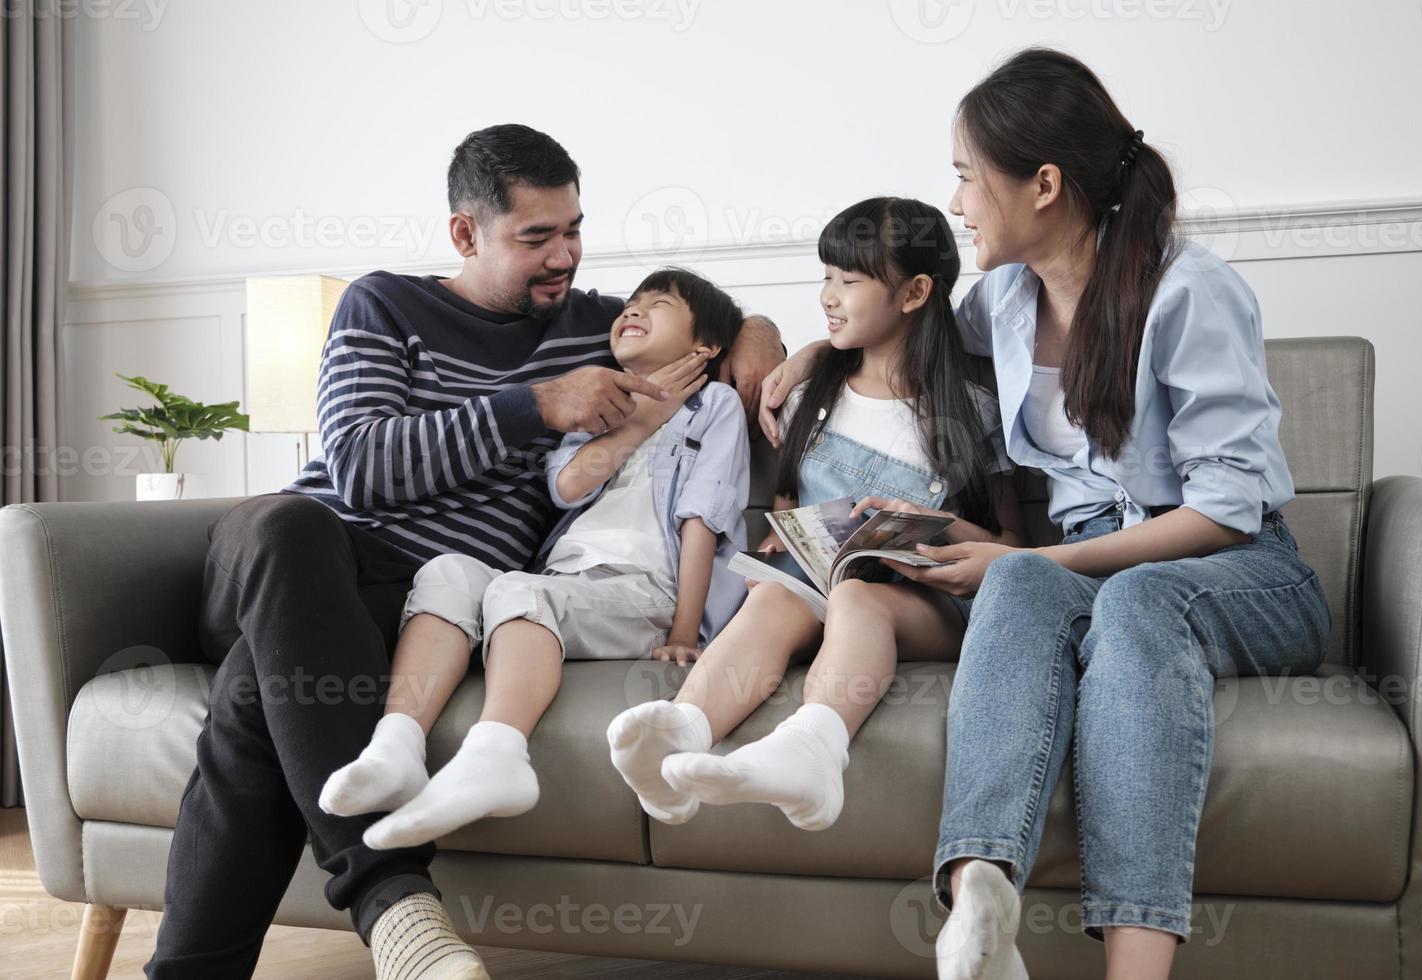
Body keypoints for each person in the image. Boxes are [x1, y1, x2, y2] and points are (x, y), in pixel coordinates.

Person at [144, 125, 784, 980]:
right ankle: (395, 907)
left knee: (259, 692)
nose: (565, 257)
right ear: (464, 234)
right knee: (284, 527)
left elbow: (712, 323)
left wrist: (762, 336)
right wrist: (539, 406)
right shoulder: (382, 305)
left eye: (574, 230)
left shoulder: (595, 325)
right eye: (536, 239)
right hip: (296, 560)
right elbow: (363, 469)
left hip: (417, 608)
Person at [760, 50, 1330, 980]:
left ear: (1045, 185)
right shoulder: (1002, 302)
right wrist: (777, 350)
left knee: (1123, 597)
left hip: (1246, 573)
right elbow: (893, 327)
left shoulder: (1190, 291)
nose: (955, 203)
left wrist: (1041, 562)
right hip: (1103, 571)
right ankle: (980, 891)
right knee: (1027, 573)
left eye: (965, 175)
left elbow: (1226, 513)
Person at [606, 197, 1022, 833]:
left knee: (858, 598)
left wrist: (928, 522)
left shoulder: (973, 408)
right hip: (818, 585)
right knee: (773, 598)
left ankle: (814, 752)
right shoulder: (809, 393)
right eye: (826, 276)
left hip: (929, 604)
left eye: (849, 282)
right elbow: (787, 510)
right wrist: (774, 550)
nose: (828, 296)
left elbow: (1005, 543)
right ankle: (682, 732)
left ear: (914, 293)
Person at [318, 268, 751, 851]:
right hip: (569, 582)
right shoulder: (601, 403)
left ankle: (496, 755)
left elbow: (703, 517)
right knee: (448, 571)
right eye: (632, 302)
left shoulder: (715, 406)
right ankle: (396, 745)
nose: (632, 310)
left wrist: (684, 630)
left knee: (520, 593)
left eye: (659, 303)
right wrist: (642, 416)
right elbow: (569, 486)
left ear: (703, 348)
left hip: (648, 588)